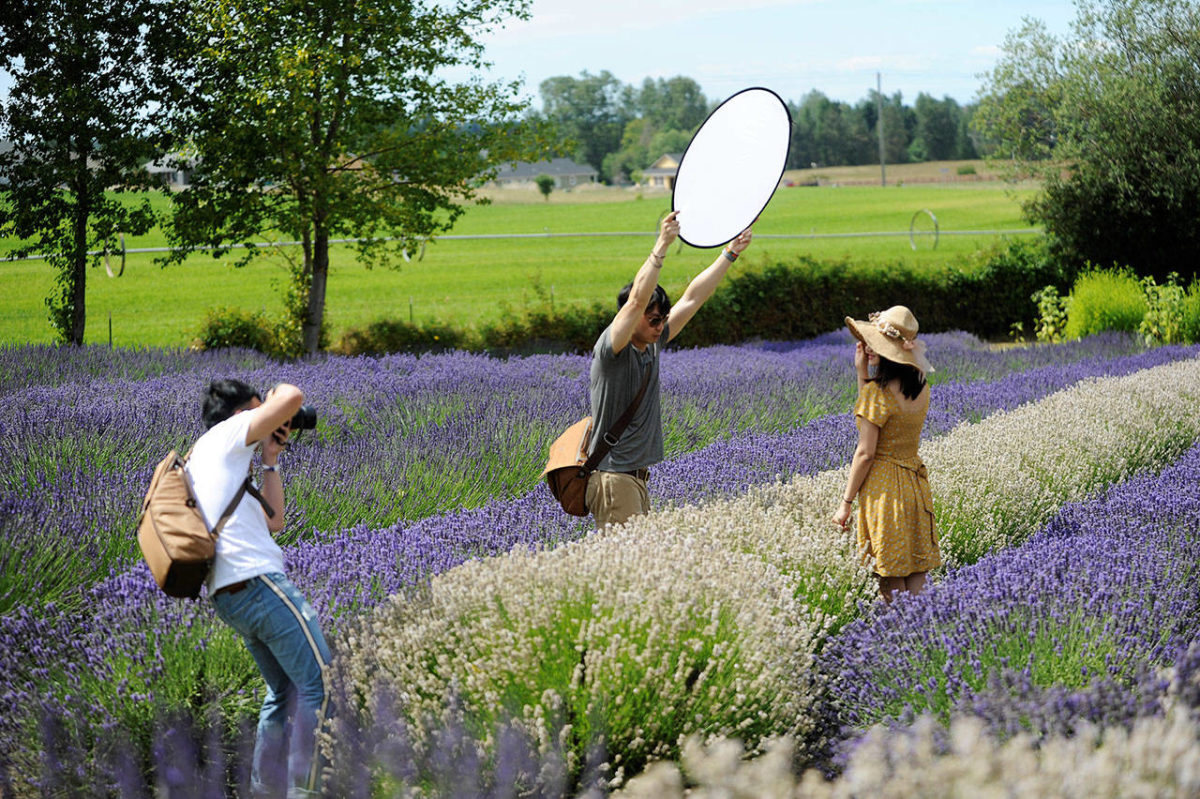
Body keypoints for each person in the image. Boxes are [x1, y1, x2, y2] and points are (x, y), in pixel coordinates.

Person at [188, 379, 331, 797]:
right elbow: (293, 397)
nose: (271, 421)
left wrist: (270, 460)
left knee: (284, 690)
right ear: (240, 416)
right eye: (258, 413)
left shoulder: (211, 456)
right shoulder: (227, 435)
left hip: (233, 595)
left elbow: (274, 522)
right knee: (321, 687)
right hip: (259, 584)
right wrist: (275, 398)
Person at [586, 210, 752, 528]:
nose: (661, 326)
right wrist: (662, 245)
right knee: (628, 567)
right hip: (614, 476)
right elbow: (636, 301)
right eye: (654, 320)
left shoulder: (652, 342)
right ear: (631, 319)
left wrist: (730, 253)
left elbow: (693, 298)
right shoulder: (612, 350)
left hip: (634, 476)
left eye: (663, 319)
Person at [832, 306, 940, 602]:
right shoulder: (921, 388)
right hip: (914, 487)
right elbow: (876, 412)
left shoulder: (876, 394)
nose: (866, 348)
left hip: (884, 492)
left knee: (890, 579)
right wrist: (862, 375)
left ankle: (901, 640)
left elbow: (866, 452)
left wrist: (845, 503)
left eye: (872, 344)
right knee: (917, 570)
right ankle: (923, 636)